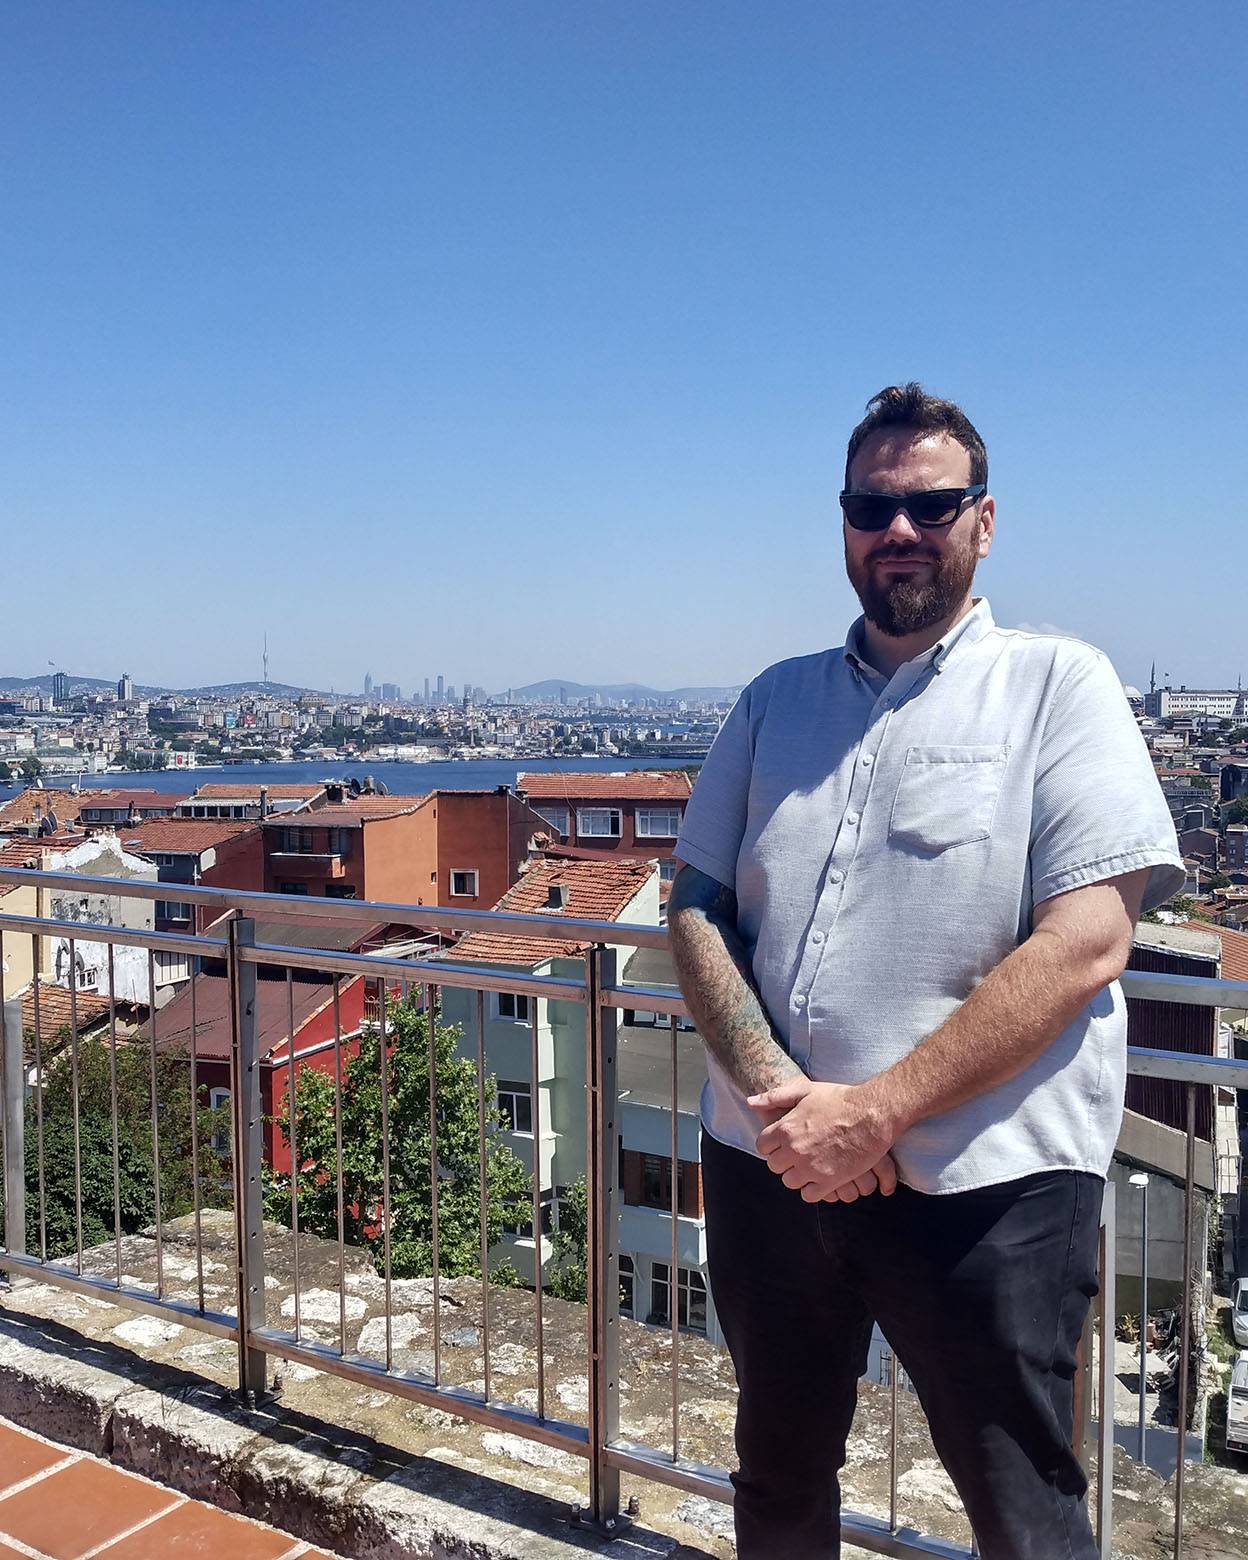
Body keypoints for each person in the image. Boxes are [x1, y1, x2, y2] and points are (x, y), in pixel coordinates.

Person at [666, 383, 1183, 1560]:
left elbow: (1088, 938)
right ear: (843, 524)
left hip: (986, 1190)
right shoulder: (771, 702)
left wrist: (877, 1112)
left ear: (983, 522)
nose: (899, 529)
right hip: (773, 1165)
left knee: (1021, 1506)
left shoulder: (1061, 686)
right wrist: (783, 1101)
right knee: (779, 1471)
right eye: (871, 505)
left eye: (930, 505)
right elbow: (692, 903)